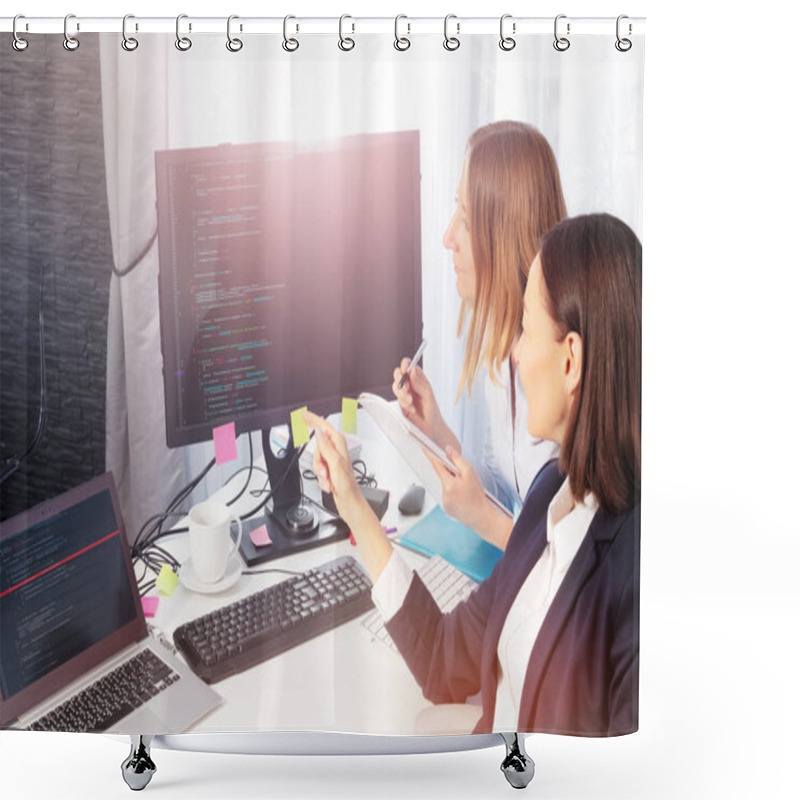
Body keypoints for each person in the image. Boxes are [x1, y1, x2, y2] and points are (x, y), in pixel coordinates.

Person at [304, 213, 641, 736]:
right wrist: (351, 502)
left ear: (570, 360)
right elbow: (443, 659)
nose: (516, 351)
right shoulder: (549, 494)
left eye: (526, 330)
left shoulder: (635, 578)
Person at [393, 121, 567, 550]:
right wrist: (436, 432)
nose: (447, 236)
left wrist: (482, 519)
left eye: (466, 221)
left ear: (503, 237)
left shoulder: (565, 374)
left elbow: (566, 568)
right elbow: (506, 498)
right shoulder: (502, 348)